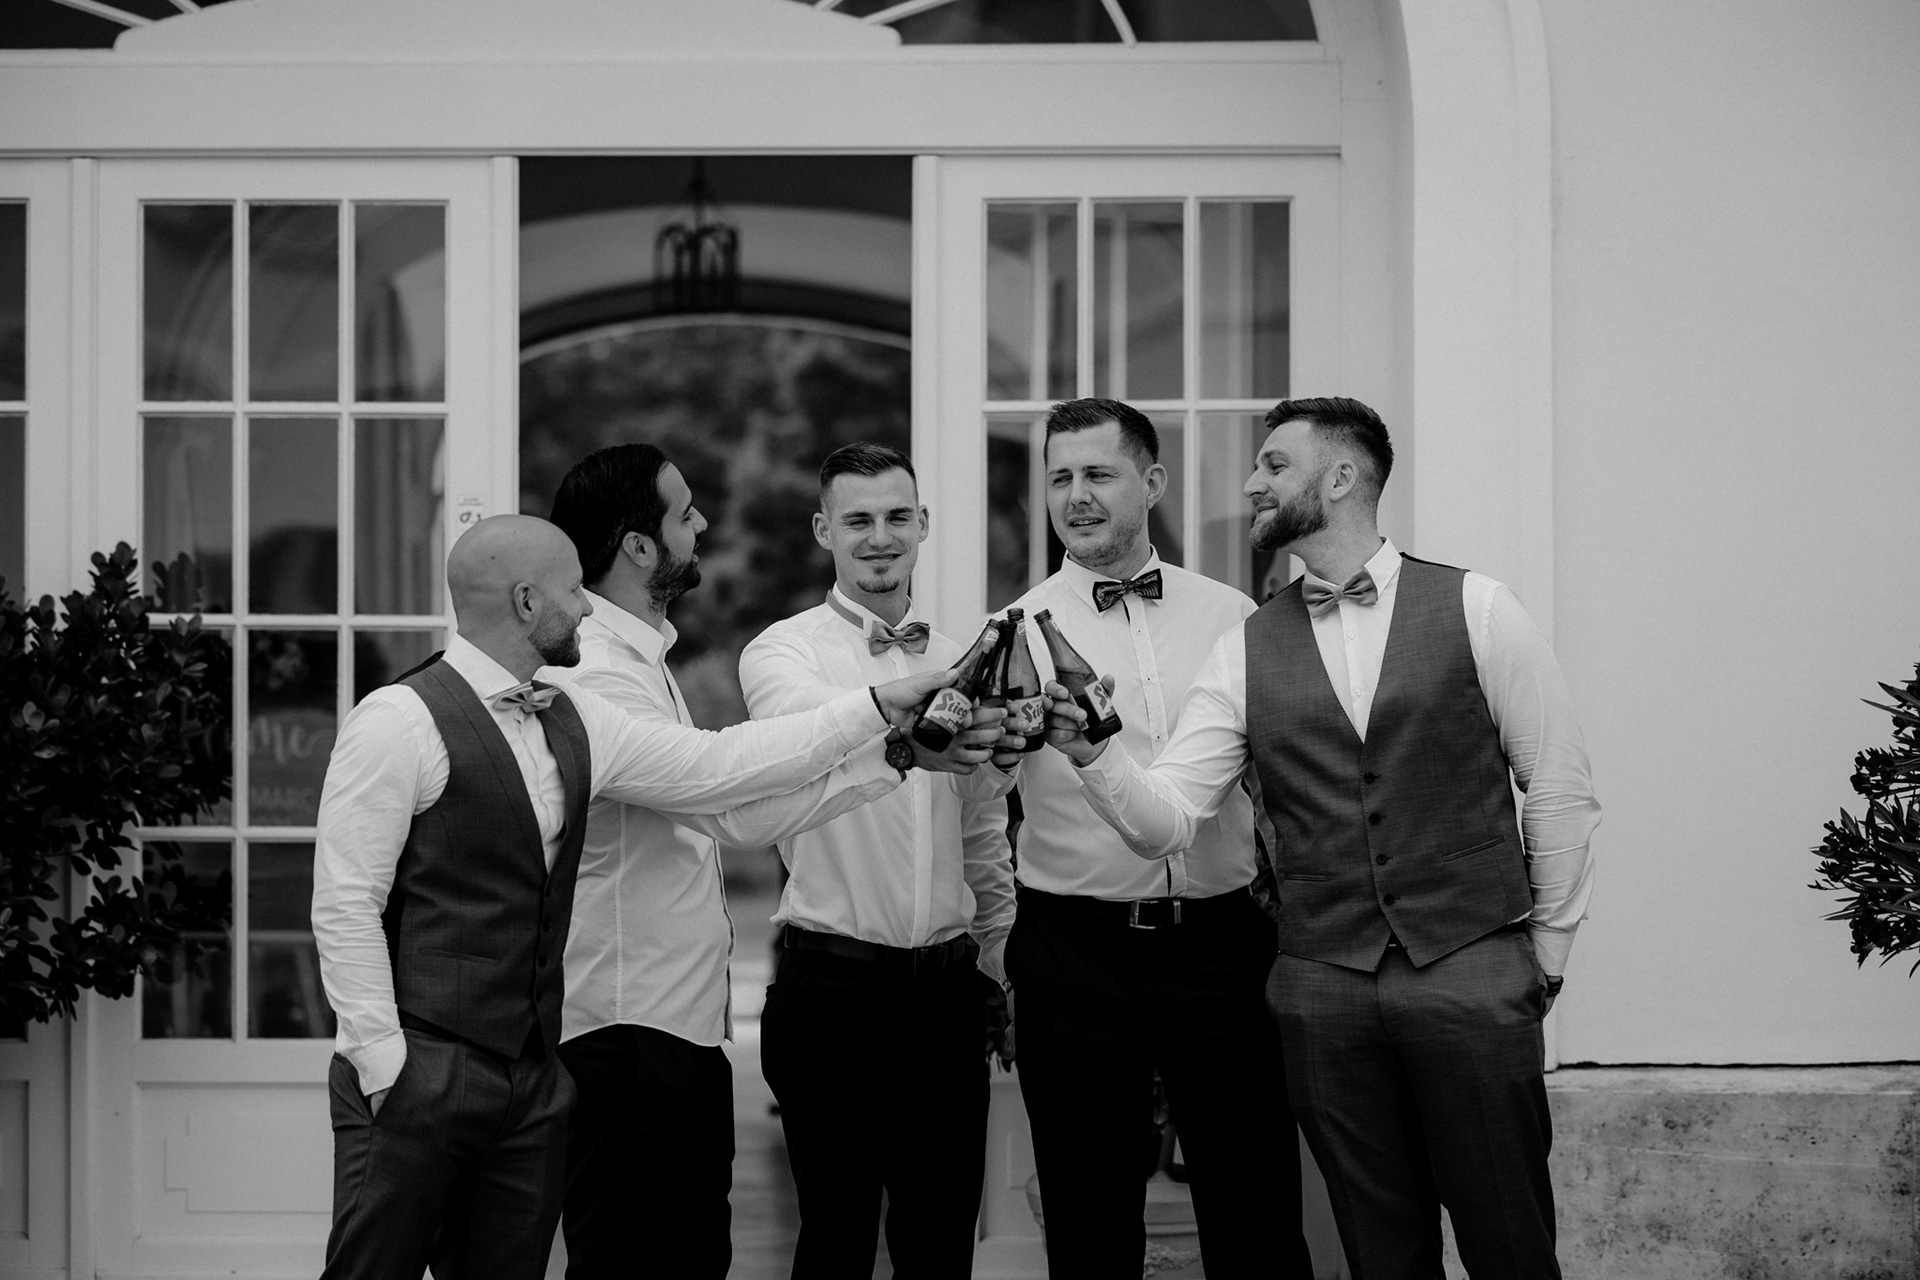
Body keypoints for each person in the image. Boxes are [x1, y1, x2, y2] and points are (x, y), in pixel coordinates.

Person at [310, 513, 960, 1280]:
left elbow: (720, 768)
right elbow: (345, 902)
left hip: (530, 1078)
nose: (588, 607)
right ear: (526, 602)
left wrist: (885, 731)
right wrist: (384, 1064)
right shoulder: (397, 720)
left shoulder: (577, 716)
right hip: (419, 1072)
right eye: (572, 592)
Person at [1047, 397, 1601, 1280]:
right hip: (1322, 986)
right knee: (1379, 1249)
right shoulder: (1245, 645)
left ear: (1340, 478)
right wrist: (1093, 751)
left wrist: (1545, 954)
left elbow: (1560, 787)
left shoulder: (1480, 608)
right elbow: (1168, 819)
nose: (1250, 483)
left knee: (1509, 1239)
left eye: (1273, 465)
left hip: (1471, 968)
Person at [542, 445, 922, 1279]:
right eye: (684, 513)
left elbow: (735, 816)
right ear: (639, 546)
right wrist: (874, 710)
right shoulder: (594, 672)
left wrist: (896, 758)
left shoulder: (642, 657)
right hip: (621, 1029)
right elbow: (717, 775)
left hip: (675, 1028)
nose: (703, 523)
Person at [1000, 397, 1313, 1279]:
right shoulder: (1014, 632)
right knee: (1089, 1218)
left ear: (1152, 482)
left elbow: (1275, 779)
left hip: (1223, 942)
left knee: (1256, 1210)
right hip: (1076, 949)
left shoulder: (1234, 616)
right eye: (1060, 478)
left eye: (1099, 474)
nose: (1076, 496)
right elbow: (983, 801)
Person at [739, 442, 1018, 1280]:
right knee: (836, 1240)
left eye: (898, 517)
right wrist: (903, 714)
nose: (880, 537)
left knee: (940, 1245)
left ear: (923, 524)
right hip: (833, 991)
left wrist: (1001, 962)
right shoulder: (780, 655)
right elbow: (803, 736)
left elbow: (981, 832)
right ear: (824, 530)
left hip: (946, 997)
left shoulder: (969, 654)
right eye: (857, 520)